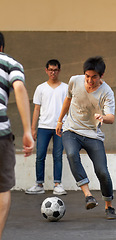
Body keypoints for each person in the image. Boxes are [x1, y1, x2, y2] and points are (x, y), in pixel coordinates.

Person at [56, 56, 116, 219]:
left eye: (94, 77)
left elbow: (111, 117)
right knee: (71, 155)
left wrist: (103, 118)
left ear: (101, 76)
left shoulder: (107, 92)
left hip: (93, 135)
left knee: (102, 172)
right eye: (87, 76)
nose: (90, 80)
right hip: (72, 130)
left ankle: (109, 206)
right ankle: (88, 195)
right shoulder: (74, 81)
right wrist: (59, 121)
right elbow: (67, 100)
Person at [0, 32, 34, 240]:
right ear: (1, 48)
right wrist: (28, 130)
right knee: (2, 189)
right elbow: (19, 87)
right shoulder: (9, 62)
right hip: (0, 133)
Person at [25, 59, 68, 195]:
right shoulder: (41, 88)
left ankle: (57, 184)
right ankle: (39, 184)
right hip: (43, 126)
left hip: (60, 127)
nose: (53, 73)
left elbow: (69, 108)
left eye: (55, 70)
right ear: (46, 70)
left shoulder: (65, 88)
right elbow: (36, 109)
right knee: (40, 156)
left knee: (58, 156)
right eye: (50, 70)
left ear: (59, 71)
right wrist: (33, 128)